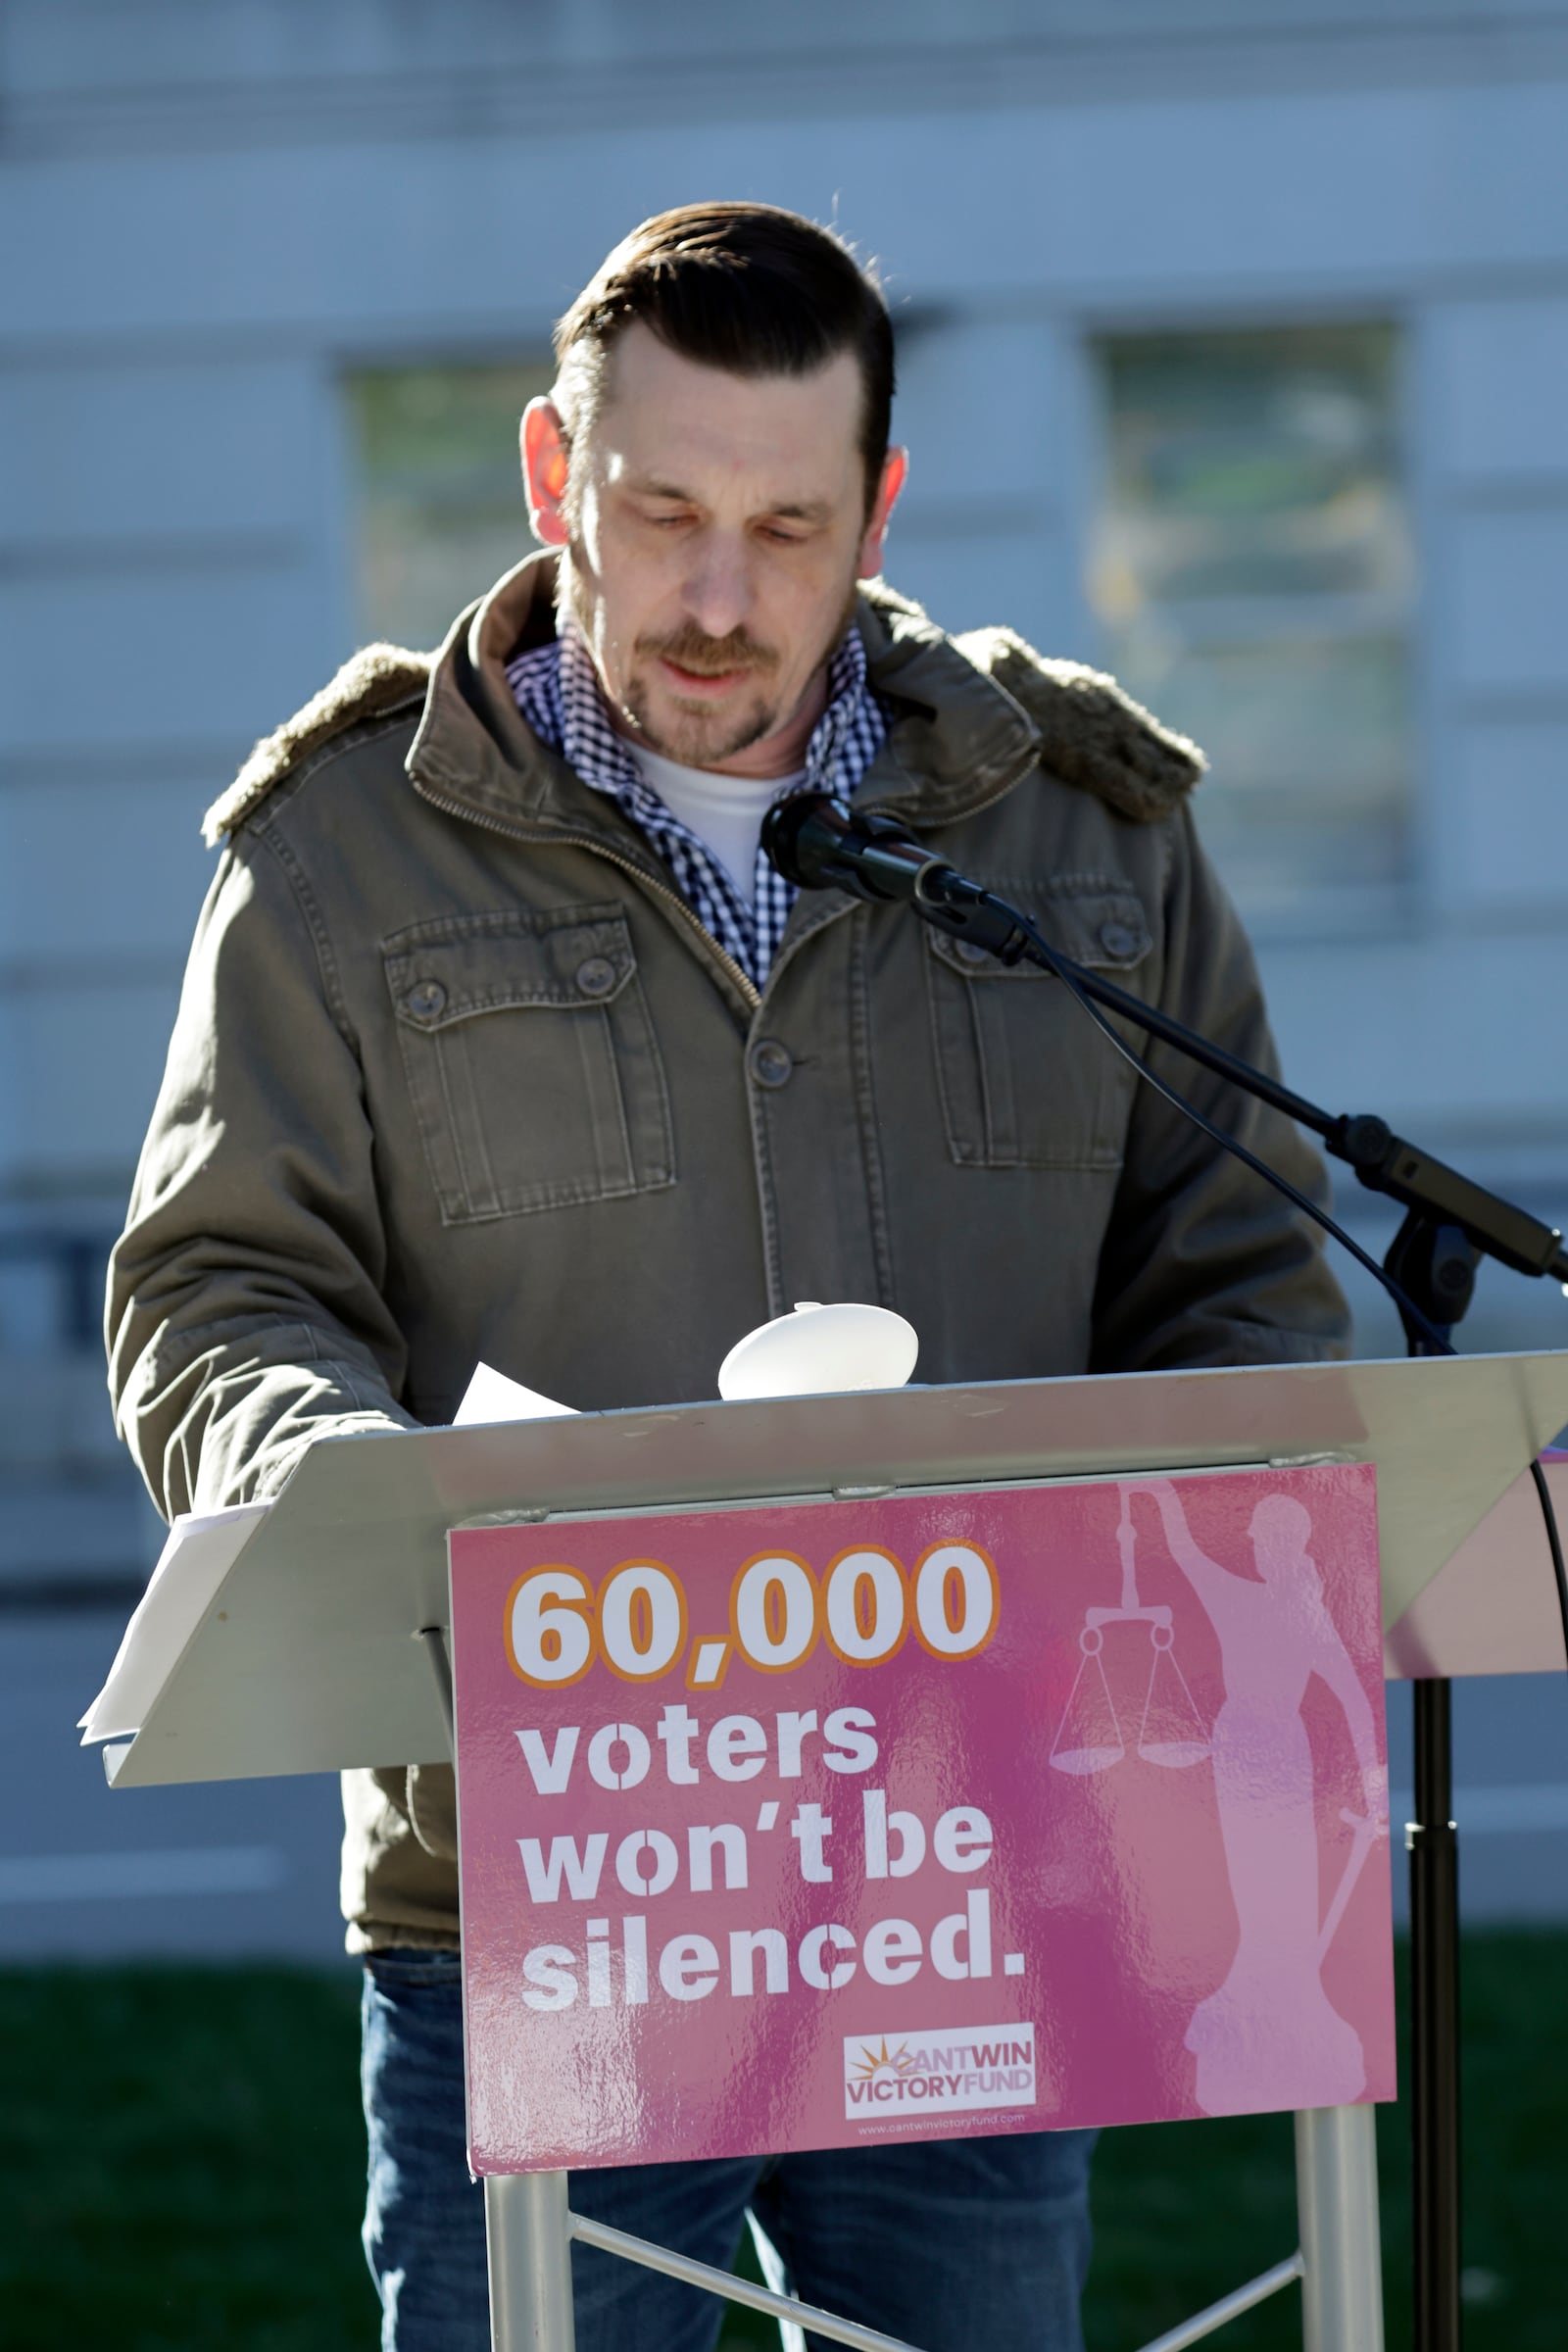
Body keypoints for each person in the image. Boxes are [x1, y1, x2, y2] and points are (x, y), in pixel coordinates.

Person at [107, 202, 1349, 2352]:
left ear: (877, 506)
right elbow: (222, 1285)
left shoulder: (1081, 837)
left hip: (975, 1863)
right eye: (657, 509)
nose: (712, 596)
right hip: (551, 1885)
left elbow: (1233, 1274)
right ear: (542, 478)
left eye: (785, 528)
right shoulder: (337, 855)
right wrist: (328, 1476)